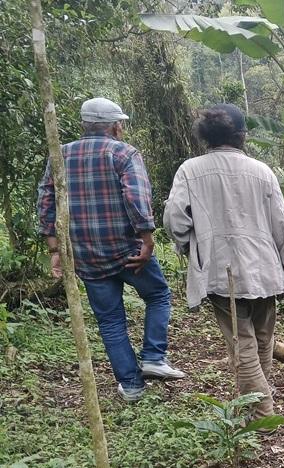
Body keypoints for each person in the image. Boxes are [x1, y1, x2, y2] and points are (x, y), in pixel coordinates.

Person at [37, 97, 186, 402]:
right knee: (158, 295)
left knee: (110, 320)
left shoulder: (60, 154)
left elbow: (46, 199)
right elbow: (136, 197)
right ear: (116, 126)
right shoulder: (123, 152)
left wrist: (55, 247)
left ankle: (131, 385)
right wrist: (147, 239)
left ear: (84, 125)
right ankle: (154, 357)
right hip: (126, 250)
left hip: (86, 255)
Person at [164, 104, 284, 420]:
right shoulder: (262, 171)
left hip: (222, 271)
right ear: (241, 136)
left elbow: (174, 220)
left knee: (244, 344)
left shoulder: (190, 170)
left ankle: (261, 412)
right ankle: (259, 405)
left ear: (206, 136)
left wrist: (191, 247)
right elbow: (283, 225)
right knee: (262, 340)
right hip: (267, 268)